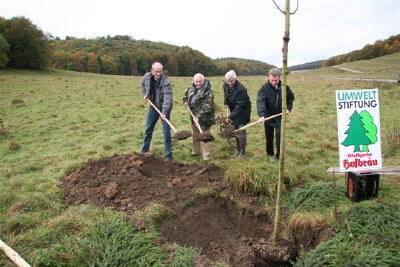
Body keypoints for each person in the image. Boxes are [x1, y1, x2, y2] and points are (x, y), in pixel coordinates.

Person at [256, 68, 295, 160]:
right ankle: (270, 154)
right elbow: (260, 101)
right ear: (269, 77)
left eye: (276, 80)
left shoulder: (284, 87)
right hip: (268, 116)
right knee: (269, 136)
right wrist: (262, 115)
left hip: (279, 116)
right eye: (271, 80)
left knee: (279, 137)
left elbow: (290, 97)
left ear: (279, 78)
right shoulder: (264, 88)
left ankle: (279, 155)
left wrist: (288, 108)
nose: (273, 82)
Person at [140, 62, 173, 160]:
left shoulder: (166, 81)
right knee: (148, 129)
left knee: (166, 133)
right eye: (156, 72)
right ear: (152, 71)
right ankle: (144, 152)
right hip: (153, 107)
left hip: (164, 108)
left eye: (160, 72)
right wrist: (145, 93)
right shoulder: (147, 77)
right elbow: (142, 84)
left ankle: (168, 156)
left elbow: (168, 98)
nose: (158, 74)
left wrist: (164, 112)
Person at [183, 73, 215, 160]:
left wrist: (199, 115)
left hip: (205, 117)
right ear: (194, 81)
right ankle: (195, 151)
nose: (198, 83)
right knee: (195, 134)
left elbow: (207, 106)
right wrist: (185, 101)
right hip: (193, 116)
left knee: (205, 135)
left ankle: (206, 155)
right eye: (196, 81)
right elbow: (185, 96)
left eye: (200, 81)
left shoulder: (208, 91)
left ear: (203, 80)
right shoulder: (190, 88)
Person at [223, 70, 251, 158]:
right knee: (235, 129)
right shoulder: (225, 85)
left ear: (235, 78)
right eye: (228, 81)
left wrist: (230, 116)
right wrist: (225, 102)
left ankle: (242, 153)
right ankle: (238, 151)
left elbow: (240, 106)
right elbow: (226, 95)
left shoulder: (241, 89)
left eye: (231, 81)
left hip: (243, 110)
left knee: (241, 129)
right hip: (233, 109)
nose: (229, 83)